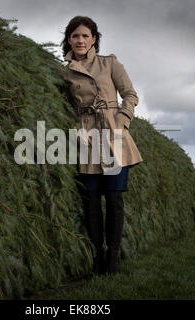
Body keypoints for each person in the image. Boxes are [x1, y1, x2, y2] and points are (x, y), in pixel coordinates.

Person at [60, 16, 143, 275]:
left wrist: (121, 121)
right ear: (69, 40)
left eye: (85, 35)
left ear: (94, 38)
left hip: (114, 134)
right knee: (91, 200)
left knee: (115, 199)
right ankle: (96, 256)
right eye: (75, 36)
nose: (80, 40)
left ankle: (113, 257)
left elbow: (130, 94)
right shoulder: (63, 72)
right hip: (85, 138)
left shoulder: (109, 63)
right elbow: (62, 106)